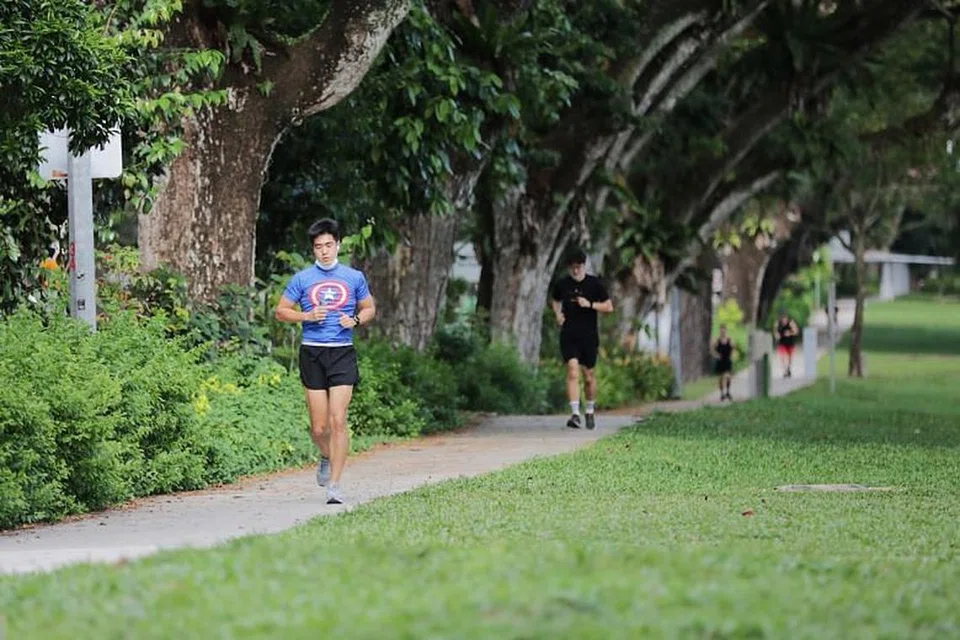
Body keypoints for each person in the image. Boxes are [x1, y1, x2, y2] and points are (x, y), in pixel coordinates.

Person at [275, 218, 376, 504]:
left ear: (338, 245)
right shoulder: (302, 279)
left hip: (342, 352)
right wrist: (306, 316)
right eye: (319, 246)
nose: (324, 251)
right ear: (313, 249)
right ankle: (326, 455)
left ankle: (335, 485)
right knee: (319, 428)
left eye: (329, 245)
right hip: (312, 352)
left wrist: (355, 320)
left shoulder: (353, 277)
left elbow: (369, 308)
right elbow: (281, 311)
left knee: (338, 419)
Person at [550, 249, 614, 430]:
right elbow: (555, 300)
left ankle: (590, 410)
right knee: (572, 371)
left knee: (589, 376)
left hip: (589, 336)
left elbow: (609, 307)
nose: (575, 271)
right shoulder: (563, 284)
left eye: (578, 267)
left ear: (584, 266)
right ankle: (575, 414)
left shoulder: (595, 284)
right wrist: (558, 314)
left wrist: (590, 304)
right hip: (569, 335)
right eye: (572, 267)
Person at [713, 324, 734, 401]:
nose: (722, 332)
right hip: (720, 361)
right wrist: (716, 355)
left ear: (726, 331)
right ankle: (722, 393)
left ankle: (728, 392)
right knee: (721, 378)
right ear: (720, 331)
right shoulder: (717, 340)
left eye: (724, 330)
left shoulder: (729, 339)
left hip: (727, 360)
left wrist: (732, 355)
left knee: (728, 377)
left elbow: (733, 348)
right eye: (721, 331)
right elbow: (713, 350)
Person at [776, 311, 799, 378]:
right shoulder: (778, 323)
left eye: (785, 318)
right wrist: (777, 335)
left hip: (790, 343)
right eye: (783, 318)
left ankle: (788, 368)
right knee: (783, 356)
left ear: (787, 318)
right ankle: (785, 371)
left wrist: (790, 333)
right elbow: (776, 331)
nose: (784, 319)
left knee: (790, 358)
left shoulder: (791, 323)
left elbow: (796, 332)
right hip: (782, 342)